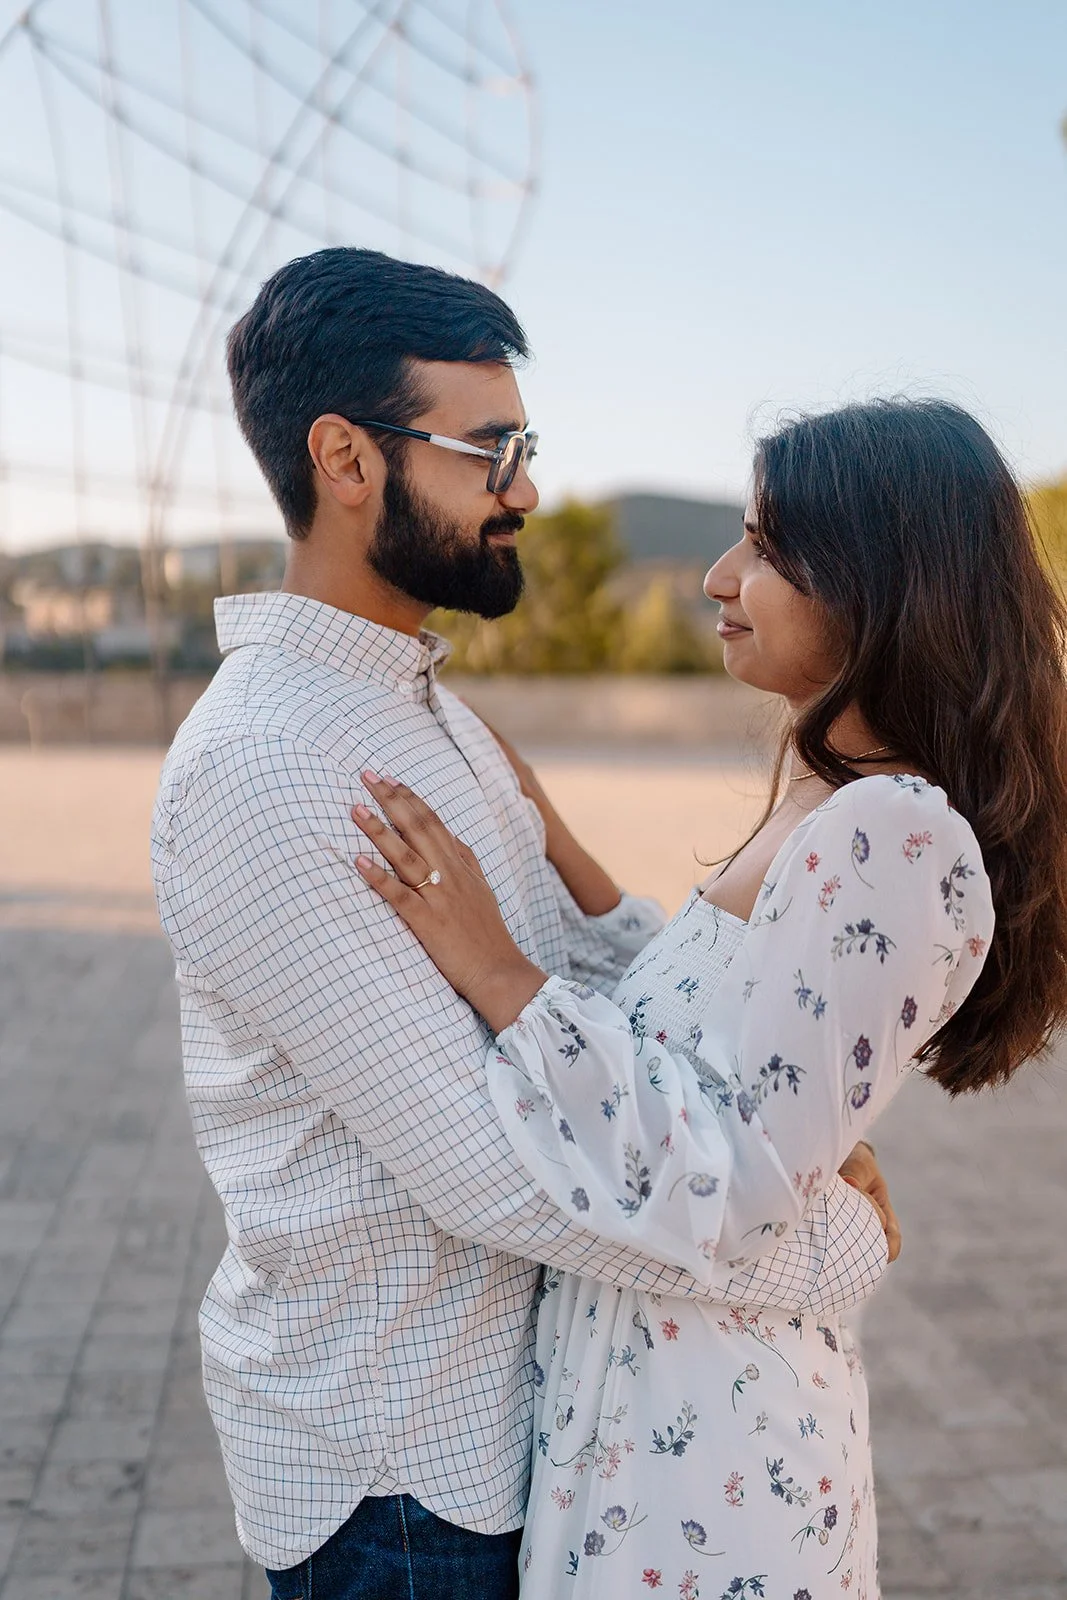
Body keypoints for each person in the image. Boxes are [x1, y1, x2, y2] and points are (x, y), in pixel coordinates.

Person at [150, 247, 896, 1600]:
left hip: (526, 1445)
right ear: (346, 459)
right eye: (487, 451)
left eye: (525, 447)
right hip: (407, 1490)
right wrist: (827, 1241)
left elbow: (593, 986)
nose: (527, 491)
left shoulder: (412, 710)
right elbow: (497, 1172)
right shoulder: (266, 765)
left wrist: (776, 1150)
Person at [352, 398, 1067, 1598]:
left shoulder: (889, 834)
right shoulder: (822, 781)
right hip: (651, 1426)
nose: (717, 573)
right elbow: (709, 1012)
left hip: (707, 1472)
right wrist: (544, 832)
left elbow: (724, 1178)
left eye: (767, 549)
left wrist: (500, 973)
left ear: (879, 579)